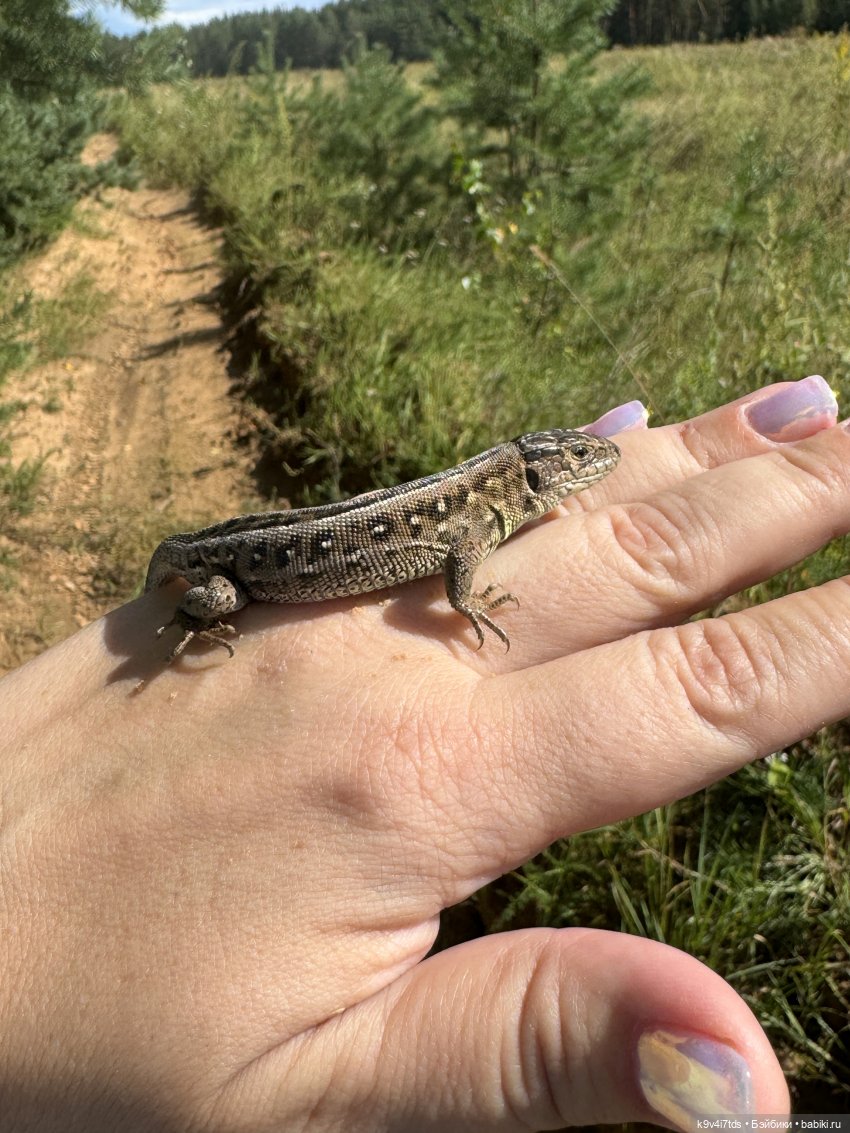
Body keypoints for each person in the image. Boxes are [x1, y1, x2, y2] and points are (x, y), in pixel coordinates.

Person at [1, 375, 841, 1133]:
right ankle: (194, 616)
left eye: (590, 460)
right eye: (580, 463)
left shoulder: (497, 492)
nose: (591, 470)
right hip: (243, 571)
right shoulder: (479, 511)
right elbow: (456, 568)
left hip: (275, 540)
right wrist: (471, 604)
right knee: (218, 596)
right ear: (542, 476)